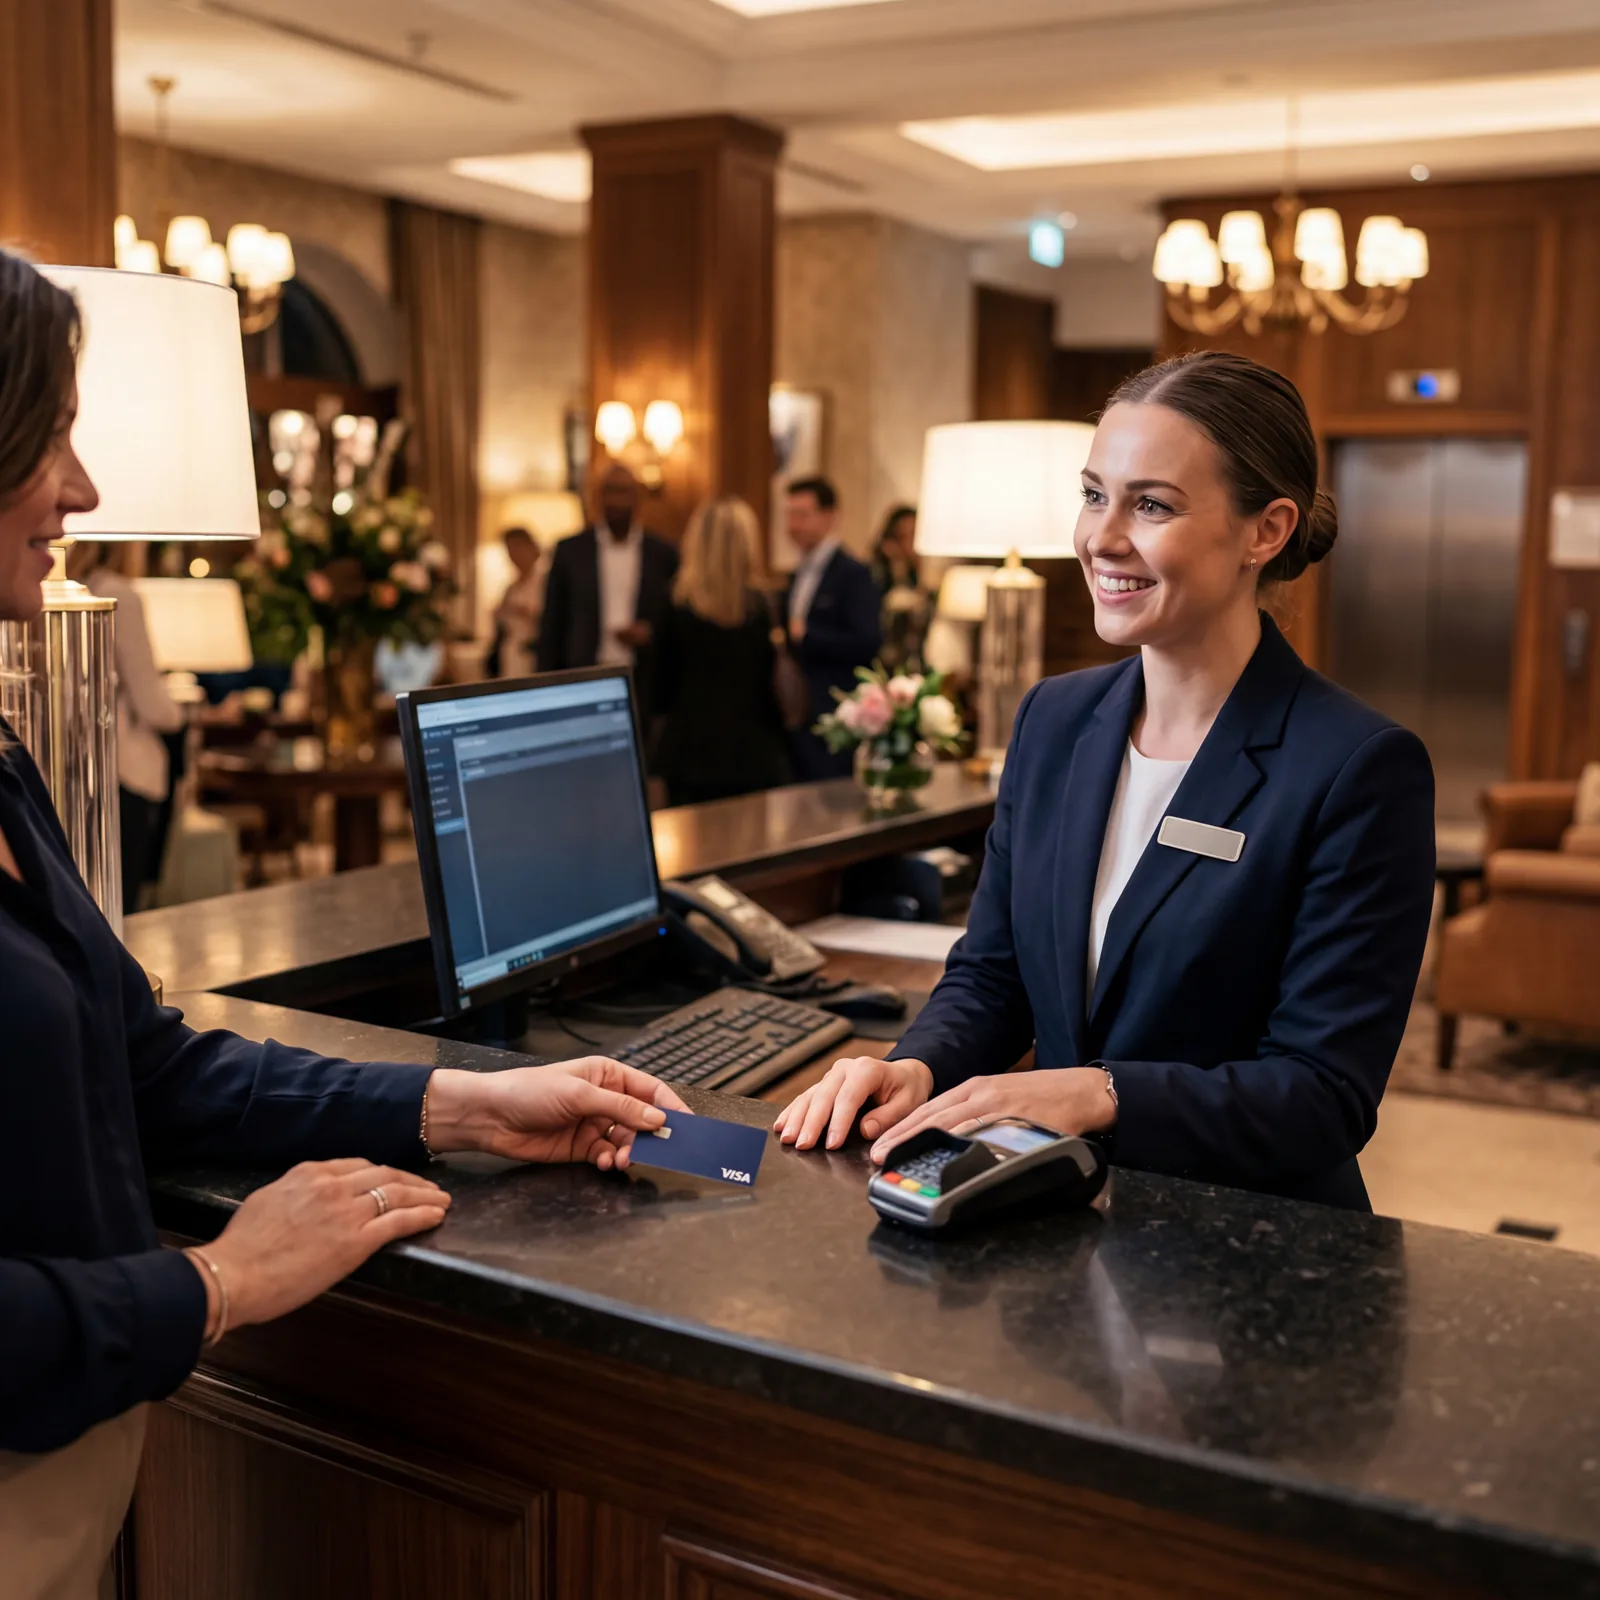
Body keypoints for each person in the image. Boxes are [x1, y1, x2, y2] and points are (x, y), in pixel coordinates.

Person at [0, 248, 685, 1597]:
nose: (83, 489)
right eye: (53, 437)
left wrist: (471, 1105)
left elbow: (156, 1068)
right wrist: (218, 1283)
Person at [776, 351, 1436, 1213]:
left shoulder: (1358, 768)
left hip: (1250, 1252)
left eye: (1152, 504)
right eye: (1094, 495)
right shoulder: (1054, 720)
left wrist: (1099, 1093)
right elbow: (994, 973)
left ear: (1265, 531)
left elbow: (1322, 1094)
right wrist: (916, 1065)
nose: (1101, 538)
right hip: (1051, 1223)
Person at [64, 540, 183, 911]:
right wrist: (181, 711)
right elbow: (155, 706)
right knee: (121, 909)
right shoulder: (117, 595)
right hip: (122, 771)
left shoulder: (65, 590)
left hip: (74, 768)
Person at [653, 496, 792, 806]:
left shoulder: (676, 604)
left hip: (691, 754)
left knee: (696, 851)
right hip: (755, 751)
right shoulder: (764, 606)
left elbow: (658, 689)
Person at [538, 464, 679, 711]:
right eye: (610, 491)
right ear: (599, 497)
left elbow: (674, 618)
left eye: (623, 491)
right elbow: (552, 623)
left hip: (643, 679)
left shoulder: (663, 554)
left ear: (637, 498)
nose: (616, 500)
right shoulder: (571, 551)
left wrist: (650, 632)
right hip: (583, 673)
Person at [782, 476, 882, 779]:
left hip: (834, 715)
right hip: (798, 713)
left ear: (829, 516)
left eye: (802, 515)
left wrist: (809, 637)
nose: (793, 525)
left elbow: (868, 641)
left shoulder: (853, 574)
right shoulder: (797, 572)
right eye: (789, 516)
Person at [868, 503, 927, 672]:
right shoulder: (877, 576)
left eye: (917, 535)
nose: (913, 544)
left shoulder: (923, 577)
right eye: (905, 536)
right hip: (886, 665)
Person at [487, 524, 544, 679]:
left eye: (518, 547)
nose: (514, 554)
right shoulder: (511, 587)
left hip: (532, 653)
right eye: (509, 549)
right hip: (511, 652)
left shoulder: (544, 582)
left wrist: (521, 611)